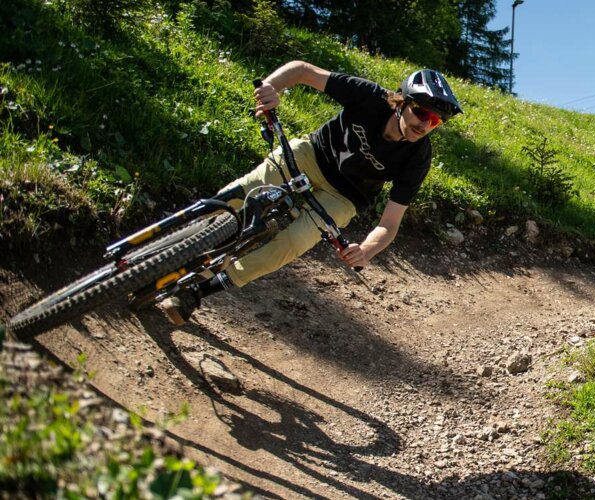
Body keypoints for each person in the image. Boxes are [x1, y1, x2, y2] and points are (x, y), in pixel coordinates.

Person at [159, 61, 463, 325]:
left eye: (435, 121)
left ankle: (197, 293)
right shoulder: (370, 96)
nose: (425, 125)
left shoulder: (418, 158)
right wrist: (271, 88)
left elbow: (389, 223)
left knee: (293, 242)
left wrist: (367, 250)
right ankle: (169, 241)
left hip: (344, 197)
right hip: (310, 155)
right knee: (241, 192)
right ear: (402, 102)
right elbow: (303, 71)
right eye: (421, 112)